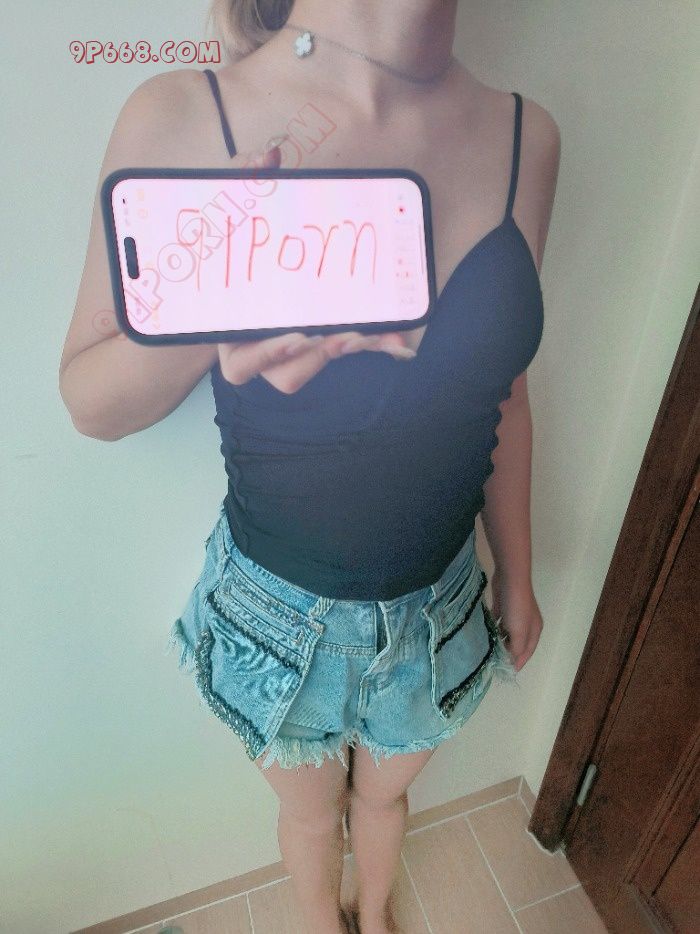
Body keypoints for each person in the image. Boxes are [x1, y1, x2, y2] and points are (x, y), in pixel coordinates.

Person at [59, 2, 560, 932]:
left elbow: (509, 394)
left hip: (442, 605)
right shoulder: (187, 113)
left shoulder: (530, 137)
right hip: (274, 616)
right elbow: (90, 403)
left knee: (385, 798)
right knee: (308, 812)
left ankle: (374, 910)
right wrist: (218, 283)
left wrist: (518, 574)